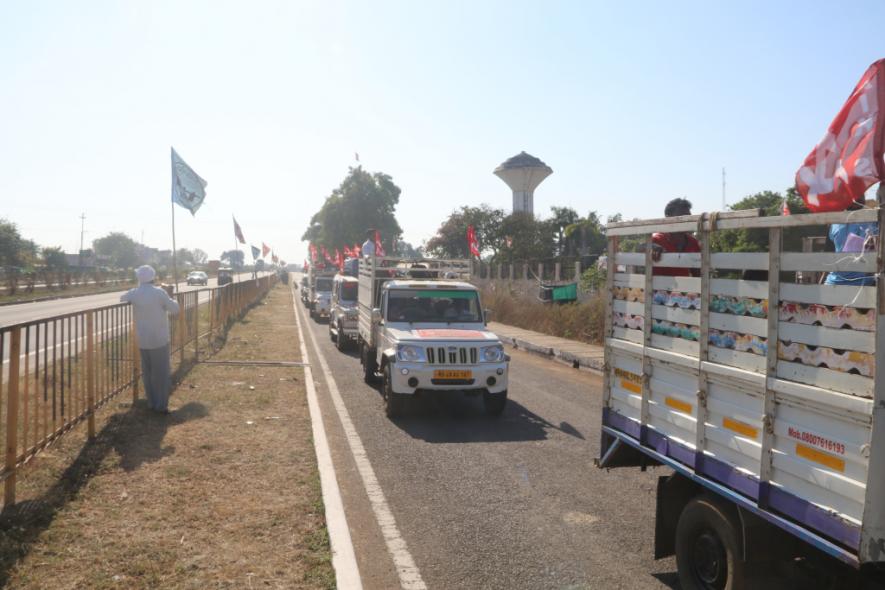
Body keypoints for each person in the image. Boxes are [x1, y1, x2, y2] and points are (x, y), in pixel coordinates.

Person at [121, 265, 180, 413]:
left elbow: (122, 298)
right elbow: (174, 309)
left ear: (139, 278)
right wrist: (170, 294)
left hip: (143, 339)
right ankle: (161, 406)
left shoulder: (134, 293)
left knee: (147, 374)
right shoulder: (159, 292)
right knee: (161, 374)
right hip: (159, 339)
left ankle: (151, 403)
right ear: (153, 277)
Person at [824, 198, 878, 286]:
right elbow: (829, 258)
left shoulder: (834, 223)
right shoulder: (873, 220)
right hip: (841, 282)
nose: (861, 196)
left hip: (858, 282)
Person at [650, 198, 701, 276]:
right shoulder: (657, 240)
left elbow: (697, 273)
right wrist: (651, 247)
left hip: (685, 286)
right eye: (681, 217)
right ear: (668, 217)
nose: (686, 220)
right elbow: (639, 248)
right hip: (659, 287)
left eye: (688, 217)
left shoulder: (693, 242)